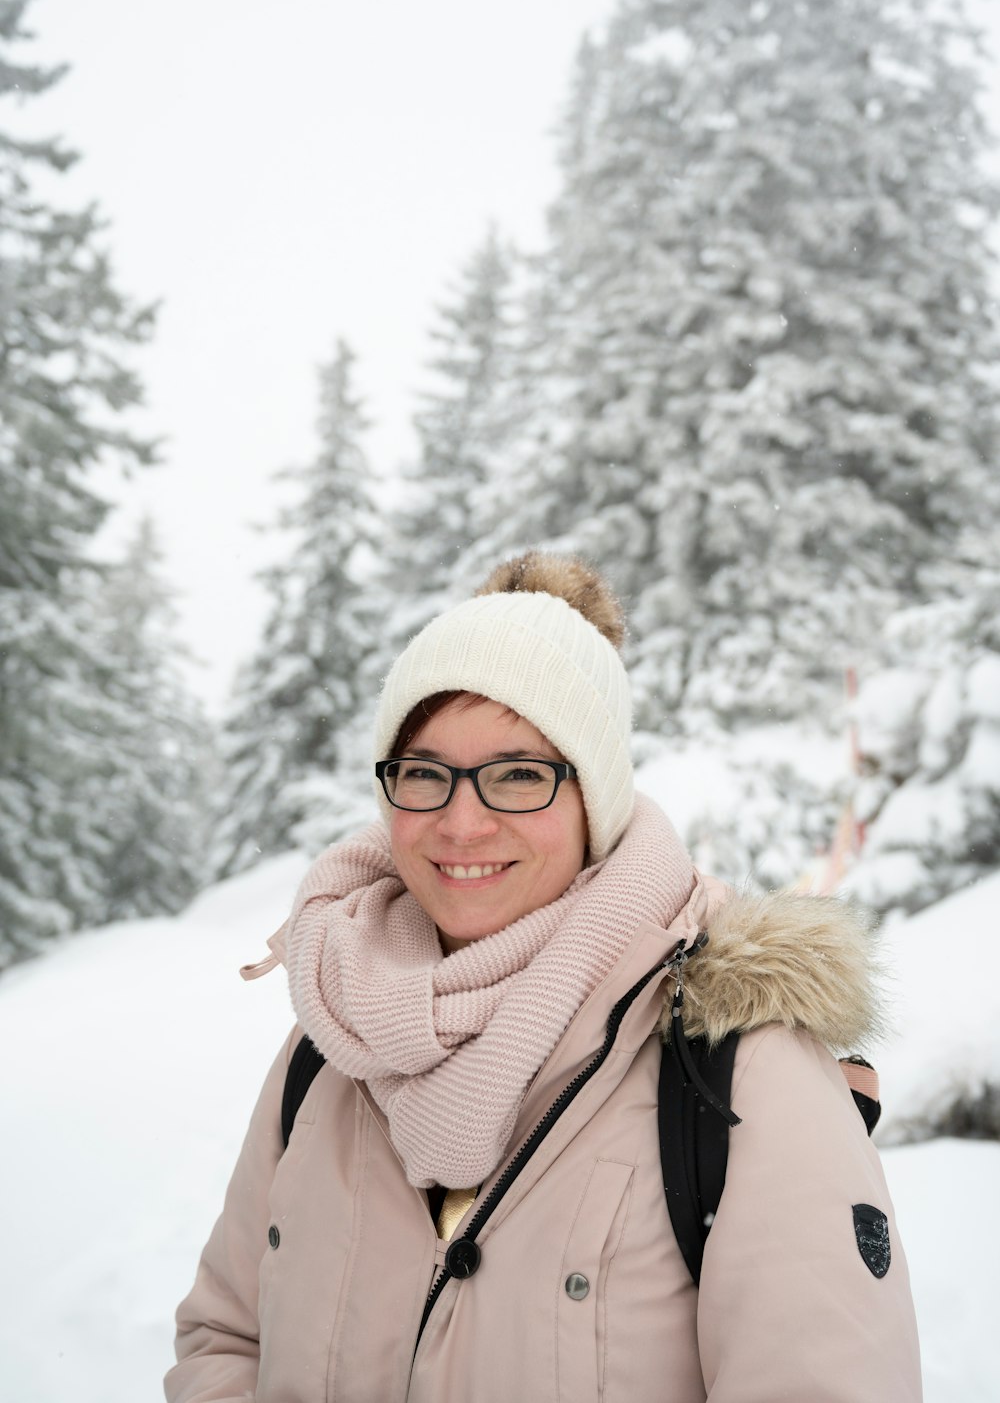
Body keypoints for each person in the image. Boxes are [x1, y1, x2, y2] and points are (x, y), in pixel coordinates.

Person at [165, 552, 922, 1403]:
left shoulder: (737, 1067)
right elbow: (224, 1337)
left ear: (593, 799)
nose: (460, 820)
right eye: (423, 771)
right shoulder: (333, 1036)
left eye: (519, 774)